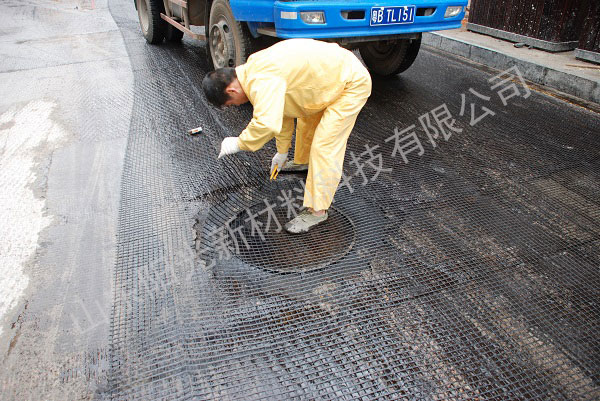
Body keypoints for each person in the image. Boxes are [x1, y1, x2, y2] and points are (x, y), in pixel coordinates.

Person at [202, 38, 372, 234]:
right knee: (306, 119)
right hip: (329, 77)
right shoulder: (252, 69)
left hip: (351, 83)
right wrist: (282, 152)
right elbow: (282, 111)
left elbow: (267, 123)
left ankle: (317, 211)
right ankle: (303, 162)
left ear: (231, 90)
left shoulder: (260, 81)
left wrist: (240, 143)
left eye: (232, 103)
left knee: (325, 146)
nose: (237, 105)